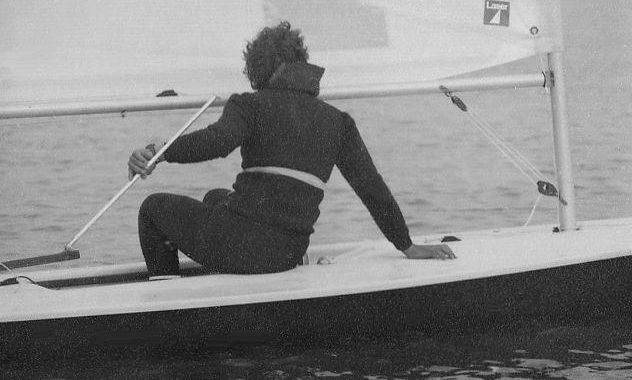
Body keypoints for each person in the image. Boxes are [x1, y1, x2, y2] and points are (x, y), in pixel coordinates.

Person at [128, 21, 456, 280]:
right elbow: (371, 187)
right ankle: (229, 272)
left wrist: (159, 152)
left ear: (258, 70)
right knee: (215, 196)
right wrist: (407, 245)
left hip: (243, 245)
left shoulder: (250, 105)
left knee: (153, 209)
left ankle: (167, 301)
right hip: (286, 253)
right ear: (301, 63)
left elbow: (217, 141)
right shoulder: (338, 121)